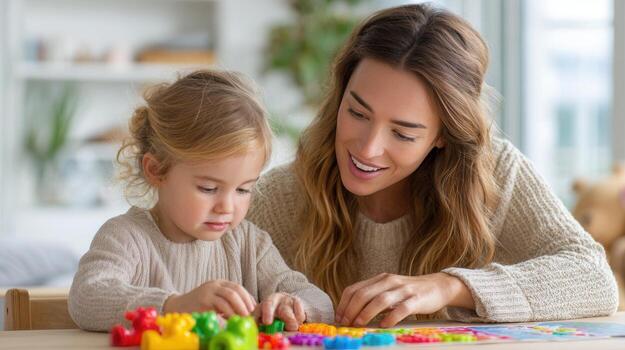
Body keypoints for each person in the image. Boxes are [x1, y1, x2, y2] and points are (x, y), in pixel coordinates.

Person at [247, 3, 618, 327]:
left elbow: (593, 277)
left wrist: (449, 286)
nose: (368, 148)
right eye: (357, 112)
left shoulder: (496, 172)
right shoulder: (280, 195)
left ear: (443, 135)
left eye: (404, 133)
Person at [68, 70, 333, 332]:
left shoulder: (251, 245)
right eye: (208, 188)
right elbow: (86, 298)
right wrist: (174, 306)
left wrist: (295, 305)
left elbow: (321, 303)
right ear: (156, 170)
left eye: (243, 190)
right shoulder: (128, 237)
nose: (227, 207)